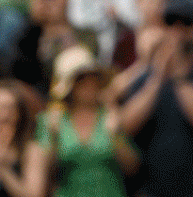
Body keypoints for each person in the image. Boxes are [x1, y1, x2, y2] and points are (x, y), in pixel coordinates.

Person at [118, 0, 193, 197]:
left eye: (186, 23)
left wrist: (179, 77)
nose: (177, 30)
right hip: (155, 190)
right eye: (171, 23)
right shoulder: (148, 79)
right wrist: (157, 78)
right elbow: (126, 125)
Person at [33, 45, 138, 197]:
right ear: (69, 85)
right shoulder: (50, 120)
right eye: (80, 78)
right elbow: (44, 175)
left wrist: (115, 137)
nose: (89, 83)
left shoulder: (111, 115)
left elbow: (133, 169)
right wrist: (53, 137)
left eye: (93, 76)